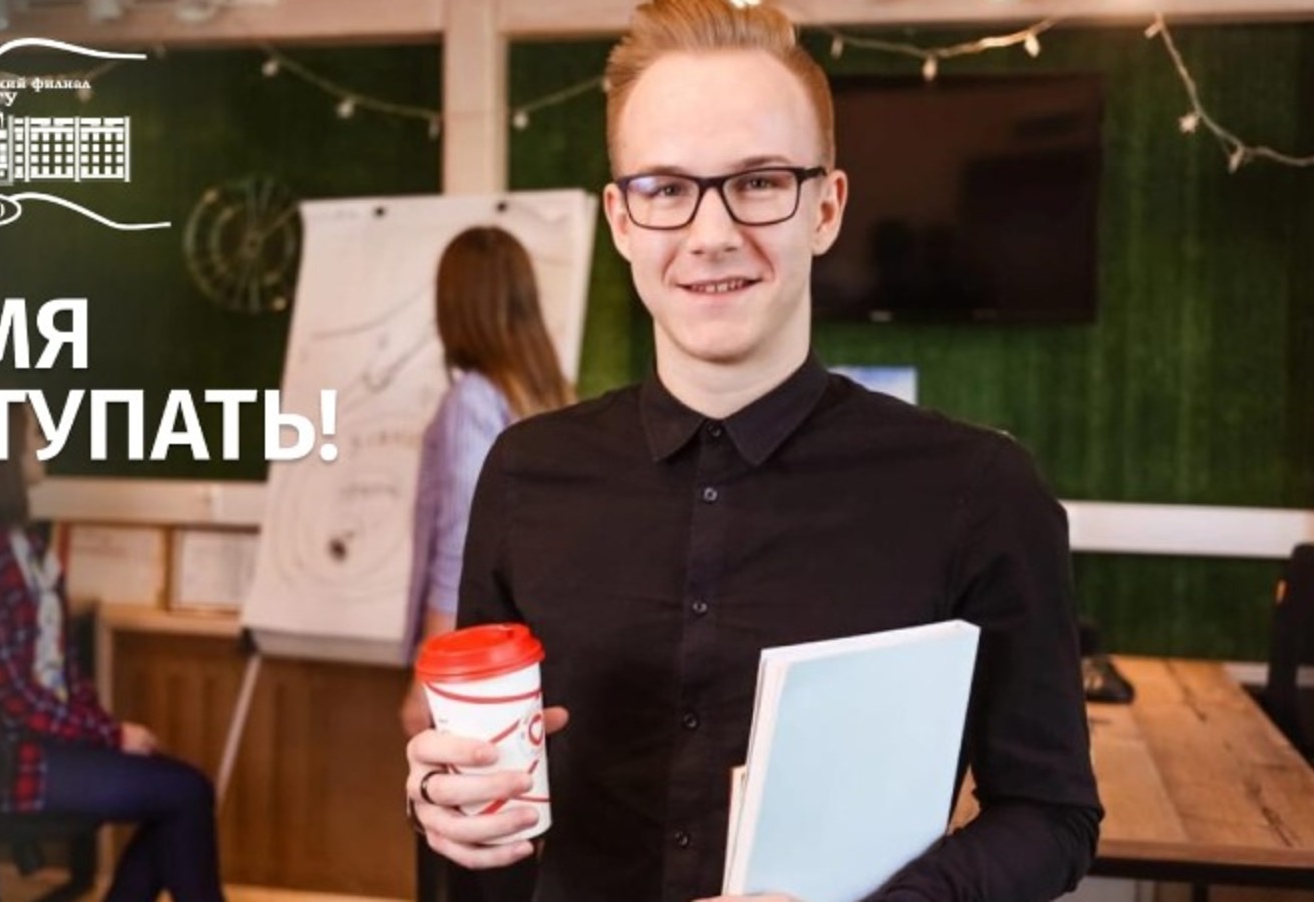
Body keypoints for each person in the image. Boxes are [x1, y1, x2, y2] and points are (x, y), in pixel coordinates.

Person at [404, 1, 1103, 901]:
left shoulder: (979, 493)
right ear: (621, 219)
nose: (711, 234)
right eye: (666, 189)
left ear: (827, 207)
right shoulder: (524, 474)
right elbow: (482, 785)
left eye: (761, 181)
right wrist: (440, 798)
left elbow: (1050, 815)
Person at [0, 401, 227, 902]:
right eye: (34, 432)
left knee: (180, 790)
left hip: (26, 745)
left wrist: (103, 731)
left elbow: (57, 668)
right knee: (184, 793)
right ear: (1, 450)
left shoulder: (17, 541)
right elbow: (11, 695)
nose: (44, 442)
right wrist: (109, 734)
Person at [399, 226, 576, 901]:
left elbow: (459, 548)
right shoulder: (549, 395)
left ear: (456, 305)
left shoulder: (472, 400)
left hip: (471, 679)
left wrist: (426, 681)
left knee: (456, 845)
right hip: (526, 673)